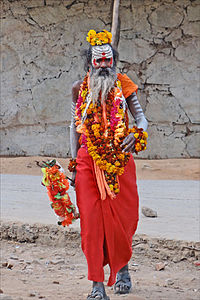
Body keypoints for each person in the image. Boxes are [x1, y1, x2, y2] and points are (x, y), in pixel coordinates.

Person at [69, 29, 148, 300]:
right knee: (91, 222)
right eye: (98, 61)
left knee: (122, 219)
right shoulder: (79, 89)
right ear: (89, 63)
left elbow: (141, 119)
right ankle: (96, 285)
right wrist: (72, 162)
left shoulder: (123, 84)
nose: (104, 66)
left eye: (107, 61)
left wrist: (135, 134)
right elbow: (74, 126)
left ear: (114, 61)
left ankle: (123, 268)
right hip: (87, 160)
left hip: (120, 160)